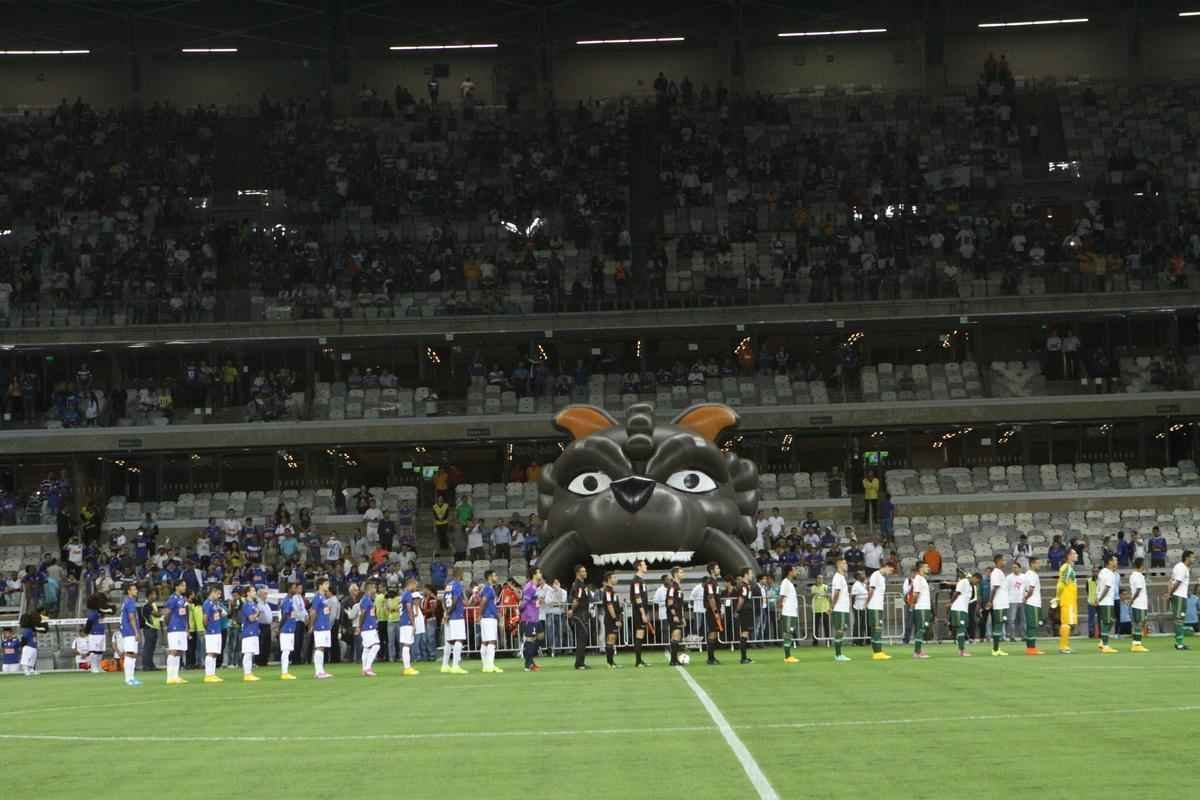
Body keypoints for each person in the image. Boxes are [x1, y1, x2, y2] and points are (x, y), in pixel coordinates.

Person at [162, 579, 190, 684]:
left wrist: (186, 627)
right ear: (177, 587)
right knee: (173, 651)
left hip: (181, 628)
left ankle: (176, 676)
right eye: (182, 585)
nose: (184, 587)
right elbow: (166, 613)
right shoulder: (172, 599)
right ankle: (170, 676)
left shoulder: (182, 599)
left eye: (185, 585)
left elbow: (184, 614)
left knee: (179, 652)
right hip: (174, 628)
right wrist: (169, 624)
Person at [441, 568, 469, 674]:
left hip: (449, 616)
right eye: (463, 574)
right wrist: (449, 613)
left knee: (449, 641)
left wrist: (445, 613)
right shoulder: (457, 585)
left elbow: (443, 600)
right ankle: (455, 666)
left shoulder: (448, 585)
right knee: (459, 639)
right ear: (460, 574)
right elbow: (455, 599)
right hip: (456, 615)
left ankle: (444, 665)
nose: (463, 576)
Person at [1052, 548, 1080, 654]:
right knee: (1066, 623)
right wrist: (1058, 597)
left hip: (1070, 598)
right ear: (1069, 556)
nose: (1076, 555)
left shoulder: (1069, 568)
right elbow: (1061, 583)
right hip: (1067, 598)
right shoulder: (1066, 567)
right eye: (1074, 553)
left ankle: (1065, 645)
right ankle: (1063, 646)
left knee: (1068, 623)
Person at [309, 577, 335, 679]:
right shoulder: (317, 597)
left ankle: (321, 671)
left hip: (325, 625)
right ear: (320, 585)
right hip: (320, 625)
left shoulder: (323, 598)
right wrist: (311, 625)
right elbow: (313, 611)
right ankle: (318, 671)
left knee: (322, 647)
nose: (328, 586)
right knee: (319, 647)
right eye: (326, 584)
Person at [867, 563, 894, 660]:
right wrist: (867, 602)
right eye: (891, 570)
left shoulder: (882, 577)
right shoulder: (876, 575)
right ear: (886, 566)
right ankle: (877, 652)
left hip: (878, 606)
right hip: (875, 606)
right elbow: (871, 590)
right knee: (877, 629)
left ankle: (877, 652)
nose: (891, 573)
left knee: (876, 629)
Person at [1167, 550, 1193, 651]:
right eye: (1192, 557)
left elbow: (1170, 581)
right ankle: (1179, 644)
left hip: (1180, 596)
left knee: (1180, 620)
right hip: (1179, 597)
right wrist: (1170, 594)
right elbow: (1176, 583)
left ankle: (1180, 643)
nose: (1193, 559)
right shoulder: (1182, 568)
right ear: (1187, 557)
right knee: (1179, 620)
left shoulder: (1180, 567)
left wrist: (1170, 593)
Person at [478, 570, 503, 674]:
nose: (497, 577)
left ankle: (485, 665)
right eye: (495, 575)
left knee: (484, 642)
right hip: (489, 617)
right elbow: (483, 601)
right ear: (489, 577)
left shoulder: (487, 588)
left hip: (486, 618)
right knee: (491, 641)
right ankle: (490, 665)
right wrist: (480, 614)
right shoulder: (488, 588)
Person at [519, 568, 543, 672]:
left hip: (535, 617)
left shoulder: (534, 586)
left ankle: (530, 660)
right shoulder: (530, 587)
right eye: (539, 572)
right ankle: (528, 664)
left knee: (540, 636)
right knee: (531, 640)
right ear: (534, 574)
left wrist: (537, 601)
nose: (541, 574)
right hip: (530, 617)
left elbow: (531, 600)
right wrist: (520, 610)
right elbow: (524, 602)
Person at [986, 554, 1010, 656]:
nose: (1005, 562)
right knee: (998, 625)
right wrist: (990, 601)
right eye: (1003, 560)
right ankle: (995, 649)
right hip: (999, 603)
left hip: (1003, 603)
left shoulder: (1000, 572)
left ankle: (997, 648)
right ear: (999, 561)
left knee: (999, 625)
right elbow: (995, 588)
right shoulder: (996, 573)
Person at [568, 564, 591, 670]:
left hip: (583, 614)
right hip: (580, 615)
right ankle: (579, 663)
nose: (585, 572)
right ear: (578, 573)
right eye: (583, 571)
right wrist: (572, 610)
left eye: (585, 571)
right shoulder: (578, 585)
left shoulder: (581, 584)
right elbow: (576, 600)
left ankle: (581, 662)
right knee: (582, 638)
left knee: (583, 638)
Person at [279, 582, 304, 680]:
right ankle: (284, 672)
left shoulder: (290, 600)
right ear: (289, 589)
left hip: (290, 628)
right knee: (285, 651)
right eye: (294, 588)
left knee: (288, 650)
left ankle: (285, 671)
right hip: (286, 628)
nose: (296, 590)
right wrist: (280, 627)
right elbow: (285, 615)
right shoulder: (287, 601)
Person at [119, 583, 142, 686]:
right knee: (129, 654)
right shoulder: (130, 602)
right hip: (129, 631)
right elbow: (131, 617)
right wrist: (136, 632)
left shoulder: (128, 601)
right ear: (129, 591)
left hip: (128, 630)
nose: (136, 591)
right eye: (134, 589)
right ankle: (128, 679)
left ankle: (131, 677)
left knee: (132, 654)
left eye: (136, 589)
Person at [629, 559, 651, 668]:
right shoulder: (636, 581)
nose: (646, 566)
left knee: (641, 636)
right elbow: (637, 598)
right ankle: (638, 662)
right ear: (639, 567)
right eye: (644, 565)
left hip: (642, 611)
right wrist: (642, 613)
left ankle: (640, 660)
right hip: (638, 612)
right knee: (639, 635)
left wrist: (646, 613)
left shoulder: (641, 580)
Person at [908, 561, 931, 659]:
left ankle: (919, 650)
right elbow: (916, 594)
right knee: (921, 629)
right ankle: (917, 652)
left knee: (921, 629)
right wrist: (913, 604)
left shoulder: (922, 579)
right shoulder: (918, 579)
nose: (928, 568)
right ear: (921, 568)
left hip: (925, 607)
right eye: (926, 566)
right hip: (921, 607)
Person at [1096, 555, 1119, 654]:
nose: (1116, 562)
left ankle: (1102, 642)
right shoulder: (1109, 573)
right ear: (1110, 562)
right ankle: (1105, 645)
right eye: (1115, 560)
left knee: (1111, 620)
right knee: (1106, 622)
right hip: (1106, 601)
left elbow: (1099, 586)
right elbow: (1107, 587)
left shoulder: (1103, 572)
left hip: (1106, 601)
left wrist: (1098, 597)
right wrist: (1099, 599)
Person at [358, 579, 381, 676]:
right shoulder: (366, 599)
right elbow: (362, 614)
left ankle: (364, 669)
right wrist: (360, 626)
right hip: (368, 627)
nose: (375, 590)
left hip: (369, 627)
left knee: (367, 648)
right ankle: (368, 668)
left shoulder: (368, 599)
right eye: (374, 588)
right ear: (369, 589)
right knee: (376, 646)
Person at [1022, 556, 1044, 655]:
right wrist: (1026, 598)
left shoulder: (1026, 574)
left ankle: (1029, 648)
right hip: (1033, 602)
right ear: (1032, 564)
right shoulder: (1032, 575)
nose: (1039, 565)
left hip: (1031, 602)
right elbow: (1031, 589)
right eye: (1037, 563)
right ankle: (1031, 648)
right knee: (1032, 626)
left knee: (1031, 625)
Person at [830, 558, 851, 662]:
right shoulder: (838, 577)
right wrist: (832, 607)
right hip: (840, 608)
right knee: (839, 630)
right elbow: (836, 593)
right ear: (839, 565)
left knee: (841, 630)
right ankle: (838, 655)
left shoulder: (841, 577)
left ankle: (839, 654)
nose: (846, 564)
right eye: (844, 563)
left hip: (843, 608)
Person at [949, 570, 975, 656]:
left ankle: (961, 649)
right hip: (959, 608)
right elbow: (957, 593)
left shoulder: (969, 586)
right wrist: (951, 603)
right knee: (961, 629)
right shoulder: (963, 582)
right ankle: (961, 651)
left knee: (962, 629)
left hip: (963, 609)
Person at [703, 561, 723, 665]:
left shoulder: (715, 582)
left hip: (716, 611)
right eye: (717, 568)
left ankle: (712, 657)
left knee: (714, 633)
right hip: (712, 612)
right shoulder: (710, 583)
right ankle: (710, 658)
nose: (719, 570)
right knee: (711, 633)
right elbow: (711, 598)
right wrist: (715, 611)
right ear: (712, 570)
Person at [240, 586, 262, 681]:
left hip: (254, 630)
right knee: (248, 653)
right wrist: (258, 613)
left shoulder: (253, 604)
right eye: (252, 591)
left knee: (251, 653)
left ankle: (249, 672)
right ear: (248, 593)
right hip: (248, 631)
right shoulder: (247, 605)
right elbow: (250, 618)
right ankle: (247, 674)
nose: (255, 592)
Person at [779, 564, 800, 663]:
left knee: (789, 633)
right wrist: (780, 611)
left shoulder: (790, 583)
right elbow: (781, 597)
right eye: (795, 569)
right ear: (790, 572)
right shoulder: (785, 583)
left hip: (792, 612)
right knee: (787, 634)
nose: (796, 571)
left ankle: (788, 656)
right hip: (787, 612)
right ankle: (787, 657)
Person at [665, 567, 685, 666]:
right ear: (676, 574)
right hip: (673, 615)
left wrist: (682, 617)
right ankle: (673, 660)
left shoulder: (678, 586)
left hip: (678, 615)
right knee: (676, 634)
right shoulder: (673, 587)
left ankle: (674, 660)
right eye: (681, 572)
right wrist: (674, 615)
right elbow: (670, 602)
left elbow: (679, 603)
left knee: (677, 635)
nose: (683, 573)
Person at [1129, 557, 1150, 653]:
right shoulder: (1136, 575)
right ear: (1141, 564)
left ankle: (1136, 643)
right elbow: (1138, 589)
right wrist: (1132, 600)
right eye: (1144, 563)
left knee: (1140, 623)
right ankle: (1137, 644)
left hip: (1141, 603)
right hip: (1139, 603)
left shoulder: (1139, 575)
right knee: (1139, 623)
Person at [734, 567, 754, 664]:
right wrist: (737, 611)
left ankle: (744, 657)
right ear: (746, 574)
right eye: (750, 573)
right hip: (745, 611)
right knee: (744, 633)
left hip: (747, 611)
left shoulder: (746, 585)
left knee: (746, 633)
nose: (752, 575)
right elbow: (741, 599)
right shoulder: (744, 586)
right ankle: (743, 658)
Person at [601, 571, 621, 669]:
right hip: (610, 619)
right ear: (609, 579)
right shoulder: (608, 591)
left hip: (613, 619)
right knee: (610, 640)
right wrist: (615, 619)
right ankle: (609, 662)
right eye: (614, 577)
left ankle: (612, 662)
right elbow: (609, 606)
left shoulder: (612, 591)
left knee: (612, 640)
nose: (616, 579)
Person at [139, 587, 160, 672]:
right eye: (154, 594)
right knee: (148, 647)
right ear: (149, 595)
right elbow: (156, 614)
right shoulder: (146, 605)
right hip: (149, 629)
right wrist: (165, 612)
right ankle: (146, 665)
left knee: (152, 648)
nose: (155, 596)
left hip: (154, 628)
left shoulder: (153, 604)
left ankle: (150, 664)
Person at [1006, 561, 1024, 643]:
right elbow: (1006, 589)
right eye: (1013, 567)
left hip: (1022, 600)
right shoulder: (1009, 577)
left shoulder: (1024, 577)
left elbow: (1026, 588)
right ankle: (1012, 636)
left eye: (1016, 567)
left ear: (1019, 568)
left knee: (1023, 619)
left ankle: (1023, 636)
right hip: (1012, 600)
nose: (1014, 569)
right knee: (1011, 620)